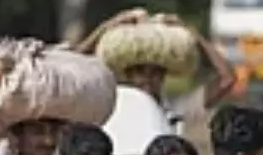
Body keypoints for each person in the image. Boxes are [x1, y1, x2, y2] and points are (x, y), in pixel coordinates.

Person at [74, 9, 237, 134]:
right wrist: (107, 27)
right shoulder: (110, 105)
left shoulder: (177, 109)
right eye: (140, 72)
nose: (148, 79)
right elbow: (69, 65)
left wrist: (192, 33)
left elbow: (227, 79)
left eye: (155, 72)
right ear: (128, 75)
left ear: (164, 76)